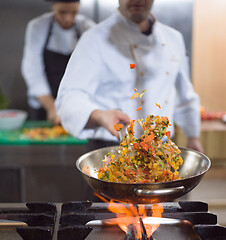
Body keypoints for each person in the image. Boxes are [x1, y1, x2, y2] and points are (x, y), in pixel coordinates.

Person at [56, 0, 203, 153]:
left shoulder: (173, 38)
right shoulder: (94, 38)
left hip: (161, 149)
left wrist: (193, 136)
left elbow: (184, 94)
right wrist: (100, 115)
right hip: (111, 149)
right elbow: (69, 98)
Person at [21, 0, 95, 124]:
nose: (68, 18)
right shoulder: (38, 26)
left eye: (74, 12)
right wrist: (52, 108)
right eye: (62, 12)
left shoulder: (88, 28)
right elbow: (32, 70)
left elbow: (92, 70)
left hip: (76, 103)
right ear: (52, 7)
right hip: (43, 103)